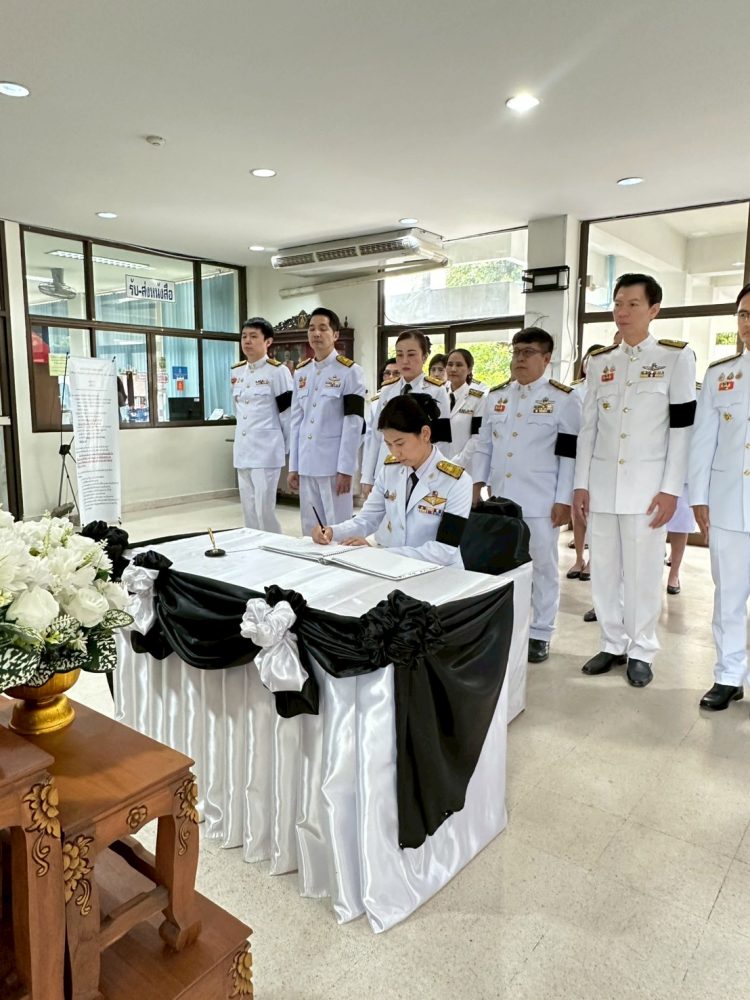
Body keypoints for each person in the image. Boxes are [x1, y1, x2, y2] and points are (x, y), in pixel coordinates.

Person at [573, 273, 696, 688]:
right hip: (602, 486)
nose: (622, 312)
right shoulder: (600, 361)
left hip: (648, 490)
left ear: (653, 310)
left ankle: (642, 649)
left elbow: (682, 429)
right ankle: (612, 643)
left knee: (643, 573)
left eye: (632, 304)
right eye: (617, 304)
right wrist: (581, 483)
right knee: (604, 570)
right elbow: (588, 428)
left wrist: (671, 489)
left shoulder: (676, 357)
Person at [473, 327, 581, 663]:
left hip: (540, 501)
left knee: (543, 568)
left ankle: (541, 632)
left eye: (528, 352)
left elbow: (569, 455)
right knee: (502, 566)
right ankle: (507, 627)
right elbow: (484, 445)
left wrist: (563, 500)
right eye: (516, 352)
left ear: (546, 359)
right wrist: (477, 484)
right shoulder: (496, 397)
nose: (520, 358)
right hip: (500, 501)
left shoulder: (564, 399)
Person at [312, 394, 471, 566]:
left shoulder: (457, 481)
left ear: (425, 434)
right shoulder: (390, 470)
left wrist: (379, 553)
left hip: (439, 572)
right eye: (388, 444)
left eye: (400, 443)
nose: (395, 452)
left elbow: (444, 550)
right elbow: (367, 519)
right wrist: (332, 532)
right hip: (393, 567)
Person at [689, 282, 750, 712]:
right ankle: (728, 675)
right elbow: (703, 441)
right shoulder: (720, 375)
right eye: (743, 314)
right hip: (729, 502)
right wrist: (699, 496)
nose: (748, 322)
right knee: (728, 595)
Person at [288, 307, 366, 535]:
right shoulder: (301, 372)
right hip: (307, 463)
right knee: (310, 527)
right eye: (312, 329)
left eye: (323, 328)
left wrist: (346, 469)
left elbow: (353, 423)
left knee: (338, 528)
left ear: (335, 335)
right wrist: (294, 466)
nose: (316, 334)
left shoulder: (350, 371)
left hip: (333, 466)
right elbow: (296, 421)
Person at [360, 331, 451, 498]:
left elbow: (442, 440)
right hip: (386, 468)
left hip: (421, 472)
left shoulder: (437, 391)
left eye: (411, 354)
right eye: (400, 355)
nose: (405, 361)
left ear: (424, 356)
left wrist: (436, 477)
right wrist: (367, 476)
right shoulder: (387, 390)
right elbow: (375, 436)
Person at [231, 316, 293, 532]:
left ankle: (274, 544)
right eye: (244, 336)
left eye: (253, 336)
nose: (247, 341)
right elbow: (239, 411)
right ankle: (252, 547)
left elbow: (288, 415)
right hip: (243, 451)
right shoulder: (236, 371)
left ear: (268, 342)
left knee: (264, 511)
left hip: (266, 451)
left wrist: (287, 451)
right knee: (248, 510)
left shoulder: (278, 372)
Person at [567, 343, 605, 581]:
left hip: (601, 457)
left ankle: (593, 560)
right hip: (577, 456)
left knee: (595, 510)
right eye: (588, 360)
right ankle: (579, 557)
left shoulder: (608, 387)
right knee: (577, 510)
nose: (591, 364)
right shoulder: (573, 390)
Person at [444, 348, 487, 470]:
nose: (453, 369)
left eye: (459, 365)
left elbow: (477, 437)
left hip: (463, 467)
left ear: (469, 369)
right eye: (450, 364)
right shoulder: (438, 394)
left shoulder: (478, 399)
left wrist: (456, 463)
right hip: (436, 463)